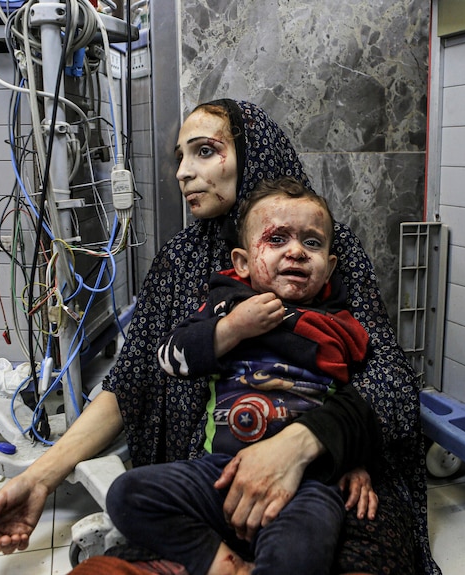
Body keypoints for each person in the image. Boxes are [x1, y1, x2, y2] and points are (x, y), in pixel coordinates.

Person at [0, 99, 440, 575]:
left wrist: (298, 446)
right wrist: (39, 479)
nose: (183, 172)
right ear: (240, 261)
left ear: (252, 153)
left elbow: (388, 382)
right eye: (180, 157)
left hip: (323, 470)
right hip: (213, 478)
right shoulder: (179, 261)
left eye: (203, 152)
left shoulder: (321, 252)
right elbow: (131, 383)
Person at [107, 177, 375, 575]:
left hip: (308, 482)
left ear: (329, 267)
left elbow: (357, 405)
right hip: (221, 471)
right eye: (277, 239)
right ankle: (224, 564)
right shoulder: (227, 306)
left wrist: (354, 460)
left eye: (313, 243)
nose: (297, 251)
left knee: (300, 551)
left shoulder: (338, 325)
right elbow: (168, 357)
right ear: (243, 264)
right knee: (127, 494)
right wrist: (231, 329)